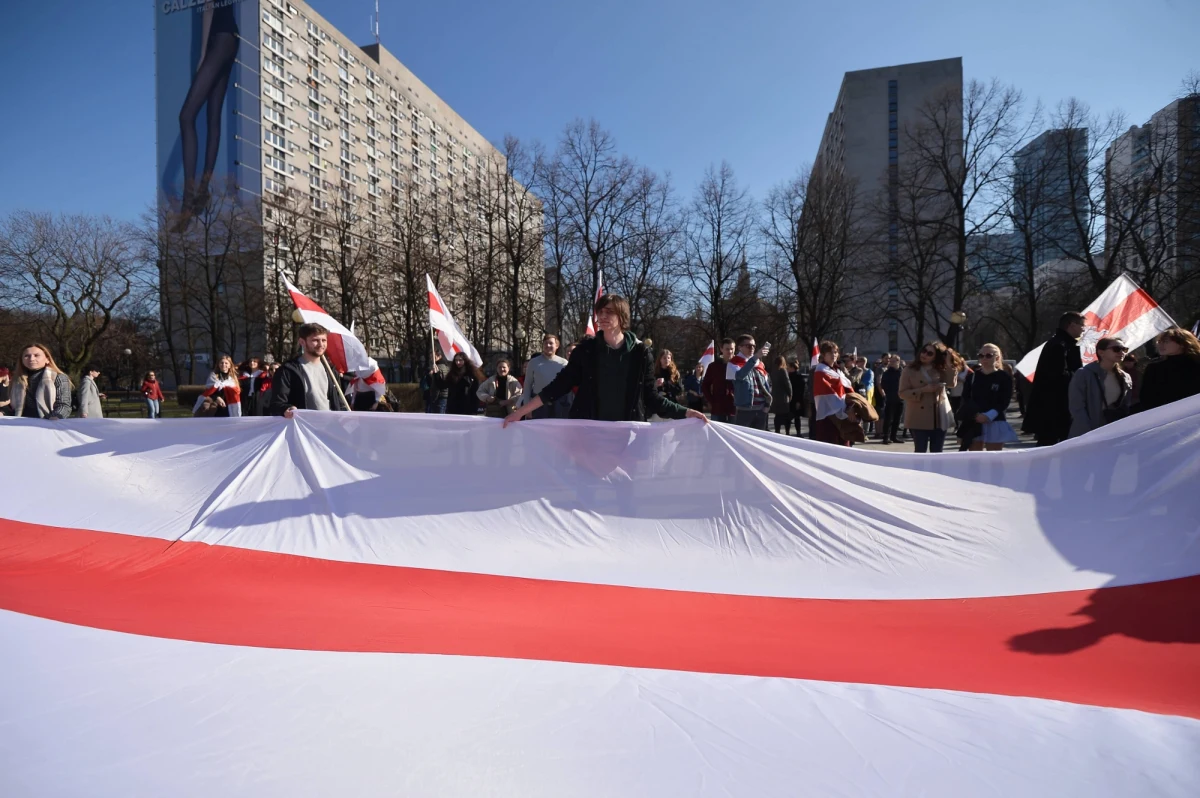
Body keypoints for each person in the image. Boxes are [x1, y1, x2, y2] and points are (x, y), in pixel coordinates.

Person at [503, 295, 706, 424]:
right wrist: (520, 411)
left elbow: (651, 397)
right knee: (586, 487)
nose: (603, 316)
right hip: (589, 430)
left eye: (609, 312)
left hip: (627, 431)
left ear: (622, 316)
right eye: (600, 312)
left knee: (624, 489)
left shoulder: (640, 353)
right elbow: (558, 386)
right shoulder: (586, 351)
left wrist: (686, 412)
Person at [175, 0, 240, 229]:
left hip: (221, 39)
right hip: (226, 38)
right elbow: (208, 11)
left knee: (187, 116)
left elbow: (208, 10)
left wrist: (203, 56)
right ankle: (202, 192)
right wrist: (204, 54)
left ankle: (188, 202)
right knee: (213, 117)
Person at [1024, 311, 1085, 446]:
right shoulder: (1059, 346)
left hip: (1055, 408)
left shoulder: (1061, 344)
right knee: (1050, 446)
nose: (1083, 328)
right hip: (1055, 410)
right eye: (1081, 325)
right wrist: (1080, 376)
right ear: (1072, 325)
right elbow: (1058, 376)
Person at [268, 323, 349, 418]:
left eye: (324, 340)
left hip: (328, 426)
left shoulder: (331, 371)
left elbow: (338, 401)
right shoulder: (287, 370)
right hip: (302, 427)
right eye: (315, 340)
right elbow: (277, 404)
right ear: (302, 342)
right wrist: (286, 409)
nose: (321, 344)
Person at [898, 341, 959, 453]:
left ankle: (935, 471)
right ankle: (918, 471)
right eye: (924, 351)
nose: (924, 355)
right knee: (920, 451)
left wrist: (949, 362)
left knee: (937, 452)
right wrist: (923, 390)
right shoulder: (909, 370)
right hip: (918, 417)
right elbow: (902, 393)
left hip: (939, 416)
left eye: (930, 353)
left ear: (936, 357)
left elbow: (951, 383)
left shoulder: (940, 369)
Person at [1068, 337, 1133, 438]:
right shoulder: (1084, 374)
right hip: (1086, 432)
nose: (1121, 352)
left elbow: (1125, 406)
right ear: (1101, 353)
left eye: (1124, 349)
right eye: (1116, 349)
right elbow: (1077, 406)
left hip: (1113, 431)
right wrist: (1087, 432)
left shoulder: (1125, 377)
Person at [961, 344, 1019, 451]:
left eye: (988, 355)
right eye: (981, 355)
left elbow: (1004, 400)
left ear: (996, 358)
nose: (984, 358)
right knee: (975, 458)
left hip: (995, 420)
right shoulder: (972, 377)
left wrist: (988, 415)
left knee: (994, 458)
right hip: (975, 420)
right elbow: (966, 398)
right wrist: (975, 415)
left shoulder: (1004, 377)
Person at [1138, 326, 1200, 411]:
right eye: (1159, 341)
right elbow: (1147, 398)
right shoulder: (1154, 369)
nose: (1160, 345)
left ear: (1182, 344)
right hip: (1170, 414)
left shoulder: (1196, 362)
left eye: (1166, 341)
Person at [11, 344, 73, 420]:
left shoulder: (58, 377)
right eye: (27, 356)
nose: (31, 359)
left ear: (47, 359)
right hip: (21, 423)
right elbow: (11, 407)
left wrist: (56, 416)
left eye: (36, 355)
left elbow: (64, 405)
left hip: (47, 424)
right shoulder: (17, 380)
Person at [811, 340, 855, 446]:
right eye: (830, 352)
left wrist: (852, 406)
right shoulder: (820, 370)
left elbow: (847, 389)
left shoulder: (837, 370)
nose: (834, 355)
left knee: (844, 448)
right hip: (829, 417)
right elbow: (828, 394)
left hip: (842, 413)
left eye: (835, 352)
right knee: (830, 449)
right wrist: (845, 410)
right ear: (823, 355)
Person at [730, 334, 772, 430]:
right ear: (740, 347)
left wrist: (767, 406)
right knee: (742, 442)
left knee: (759, 442)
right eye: (748, 346)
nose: (752, 348)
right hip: (745, 410)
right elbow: (740, 376)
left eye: (754, 346)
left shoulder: (759, 363)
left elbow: (767, 384)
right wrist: (756, 357)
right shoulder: (733, 363)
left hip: (761, 409)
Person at [522, 335, 569, 419]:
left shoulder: (564, 363)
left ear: (557, 346)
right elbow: (527, 384)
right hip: (538, 403)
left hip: (558, 404)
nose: (548, 346)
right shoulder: (533, 363)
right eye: (545, 343)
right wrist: (527, 407)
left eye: (551, 343)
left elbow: (568, 386)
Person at [701, 338, 736, 422]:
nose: (730, 351)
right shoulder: (714, 366)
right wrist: (711, 401)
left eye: (732, 349)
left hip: (735, 408)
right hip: (718, 408)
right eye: (727, 349)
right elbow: (705, 385)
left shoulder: (739, 365)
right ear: (721, 349)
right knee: (717, 434)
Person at [879, 354, 904, 444]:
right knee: (888, 419)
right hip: (890, 398)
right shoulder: (887, 373)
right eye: (891, 361)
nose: (892, 363)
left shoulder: (902, 372)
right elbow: (883, 384)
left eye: (894, 361)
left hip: (901, 398)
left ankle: (894, 436)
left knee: (897, 418)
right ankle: (886, 437)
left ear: (898, 362)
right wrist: (889, 391)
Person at [770, 355, 793, 434]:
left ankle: (777, 431)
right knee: (786, 416)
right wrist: (790, 394)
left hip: (775, 397)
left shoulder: (773, 371)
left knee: (777, 416)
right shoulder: (783, 371)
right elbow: (787, 383)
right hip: (783, 397)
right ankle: (787, 432)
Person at [787, 359, 805, 437]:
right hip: (793, 400)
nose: (787, 368)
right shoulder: (789, 376)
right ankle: (796, 432)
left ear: (792, 367)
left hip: (794, 399)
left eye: (788, 367)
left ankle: (795, 432)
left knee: (793, 417)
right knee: (794, 417)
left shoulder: (797, 377)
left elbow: (800, 390)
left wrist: (798, 401)